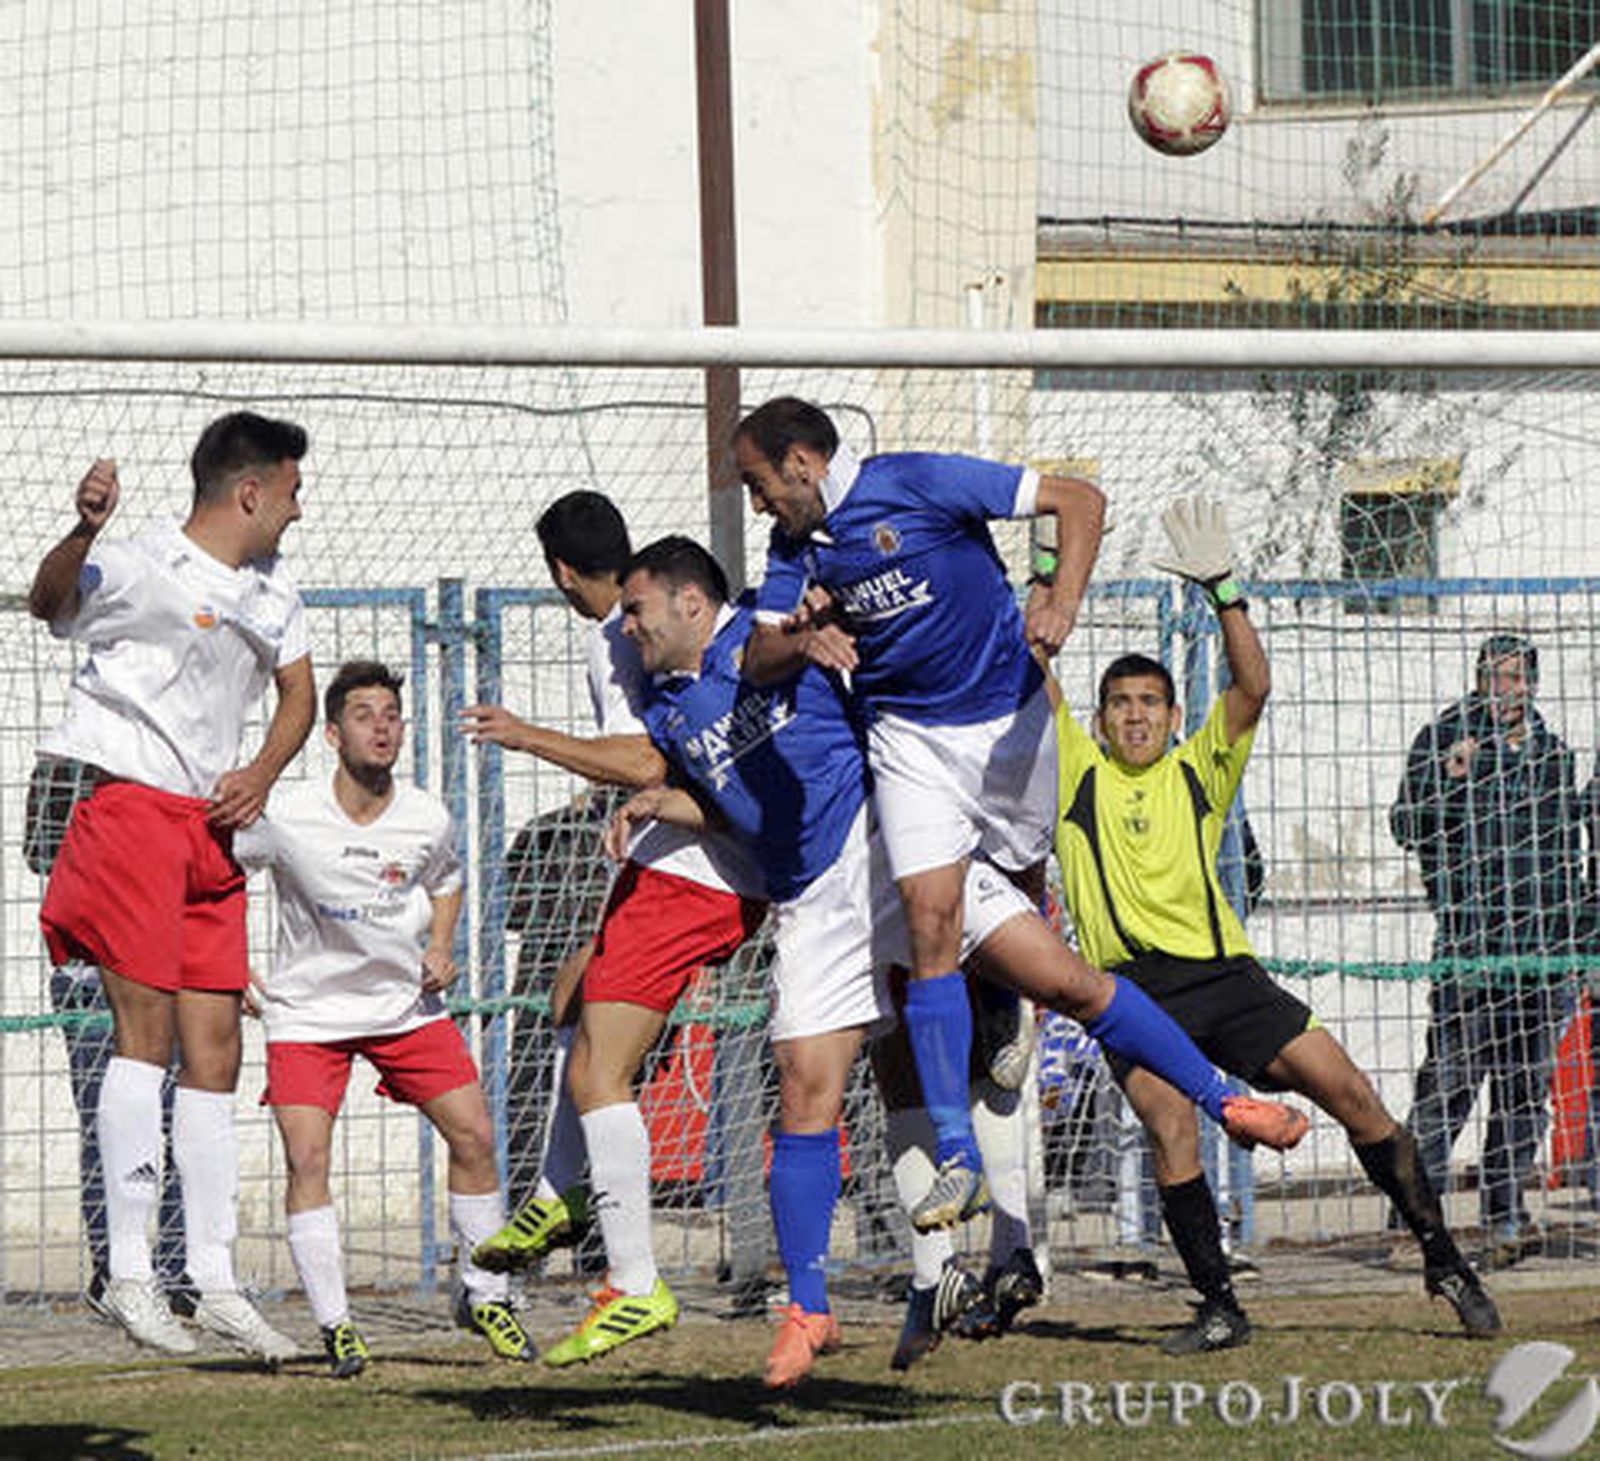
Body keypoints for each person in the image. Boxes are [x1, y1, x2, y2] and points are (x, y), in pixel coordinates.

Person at [734, 397, 1309, 1232]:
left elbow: (1079, 500)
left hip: (1008, 720)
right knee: (932, 920)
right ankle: (959, 1158)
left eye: (758, 484)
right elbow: (758, 655)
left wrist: (1063, 599)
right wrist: (806, 636)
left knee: (1025, 900)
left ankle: (1034, 1016)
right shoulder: (794, 548)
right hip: (908, 740)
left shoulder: (918, 480)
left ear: (801, 461)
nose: (758, 504)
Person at [1051, 496, 1500, 1353]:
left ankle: (1443, 1257)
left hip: (1227, 978)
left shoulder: (1197, 769)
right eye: (1120, 703)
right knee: (1171, 1122)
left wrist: (1225, 590)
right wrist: (1046, 575)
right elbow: (1033, 670)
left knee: (1357, 1096)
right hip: (1132, 990)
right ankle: (1219, 1304)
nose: (1136, 715)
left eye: (1151, 701)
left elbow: (1254, 685)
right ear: (1099, 717)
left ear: (1175, 716)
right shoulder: (1076, 768)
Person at [601, 535, 1041, 1386]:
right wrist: (668, 799)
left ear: (692, 601)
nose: (626, 625)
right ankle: (844, 1296)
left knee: (1029, 997)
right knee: (826, 1079)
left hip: (887, 852)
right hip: (813, 898)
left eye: (637, 608)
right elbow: (735, 794)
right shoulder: (661, 694)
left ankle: (995, 1241)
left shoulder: (779, 634)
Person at [30, 413, 315, 1360]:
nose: (297, 508)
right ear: (250, 492)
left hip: (209, 827)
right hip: (132, 815)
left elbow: (300, 694)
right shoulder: (146, 561)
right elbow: (49, 602)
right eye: (291, 490)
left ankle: (216, 1276)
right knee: (142, 1040)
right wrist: (82, 530)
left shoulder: (275, 590)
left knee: (216, 1049)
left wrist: (263, 772)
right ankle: (130, 1274)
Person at [464, 493, 766, 1361]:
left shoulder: (621, 643)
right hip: (669, 863)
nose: (635, 626)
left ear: (561, 571)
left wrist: (527, 736)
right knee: (574, 1009)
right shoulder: (667, 631)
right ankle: (561, 1194)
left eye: (644, 613)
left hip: (693, 873)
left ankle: (633, 1278)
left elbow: (641, 753)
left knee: (602, 1068)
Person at [234, 660, 536, 1376]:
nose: (382, 725)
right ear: (333, 733)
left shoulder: (427, 815)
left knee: (477, 1134)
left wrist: (439, 944)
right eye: (365, 714)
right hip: (307, 1013)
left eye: (392, 714)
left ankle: (485, 1292)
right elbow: (218, 874)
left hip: (404, 1007)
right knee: (307, 1158)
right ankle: (337, 1326)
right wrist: (228, 964)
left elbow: (449, 880)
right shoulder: (286, 812)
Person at [1392, 630, 1586, 1267]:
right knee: (1447, 1087)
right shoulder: (1445, 741)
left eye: (1517, 678)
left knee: (1525, 1092)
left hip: (1542, 952)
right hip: (1472, 950)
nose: (1506, 690)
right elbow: (1406, 825)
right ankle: (1413, 1223)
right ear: (1478, 680)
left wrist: (1576, 939)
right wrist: (1450, 780)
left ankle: (1505, 1215)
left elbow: (1568, 856)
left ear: (1532, 684)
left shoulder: (1552, 756)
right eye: (1494, 677)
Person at [25, 755, 192, 1318]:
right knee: (108, 1123)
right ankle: (116, 1271)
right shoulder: (65, 764)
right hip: (87, 971)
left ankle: (175, 1268)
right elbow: (37, 852)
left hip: (162, 963)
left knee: (182, 1120)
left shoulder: (172, 758)